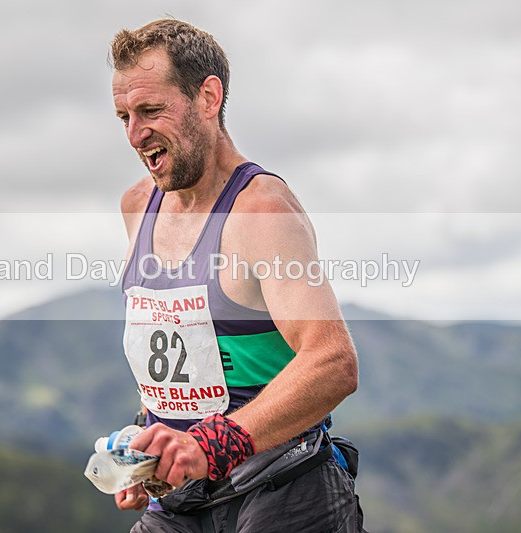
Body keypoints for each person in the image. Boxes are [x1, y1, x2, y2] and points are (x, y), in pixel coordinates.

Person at [110, 18, 364, 532]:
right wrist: (151, 443)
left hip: (283, 490)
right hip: (181, 501)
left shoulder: (261, 211)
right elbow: (183, 355)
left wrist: (211, 443)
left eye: (152, 111)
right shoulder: (138, 206)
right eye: (124, 116)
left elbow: (333, 362)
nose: (136, 134)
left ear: (208, 98)